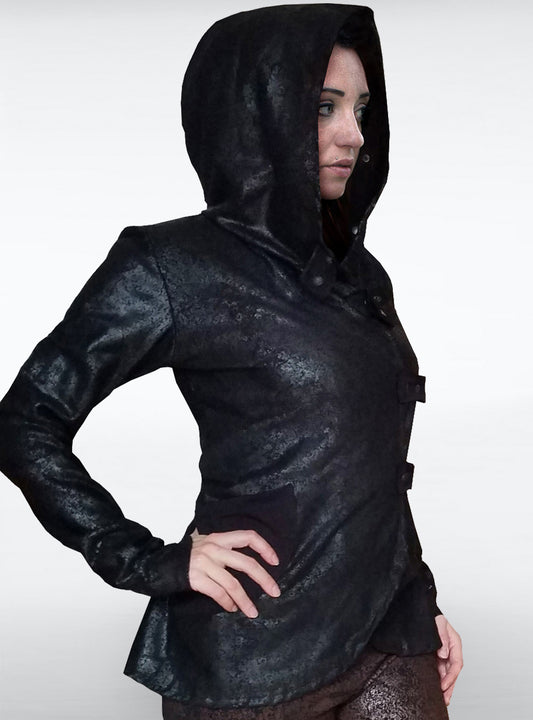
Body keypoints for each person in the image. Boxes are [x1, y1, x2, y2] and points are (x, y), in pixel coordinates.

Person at [0, 4, 463, 719]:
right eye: (324, 107)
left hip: (385, 630)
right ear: (254, 113)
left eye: (362, 109)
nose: (353, 134)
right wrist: (144, 558)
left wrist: (421, 599)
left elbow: (371, 462)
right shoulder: (170, 266)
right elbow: (25, 421)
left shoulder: (361, 277)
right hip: (246, 649)